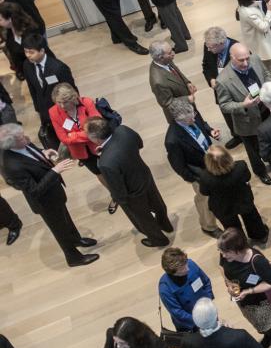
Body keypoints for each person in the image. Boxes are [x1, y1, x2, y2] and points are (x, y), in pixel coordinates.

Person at [0, 124, 98, 267]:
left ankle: (76, 239)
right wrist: (55, 171)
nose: (26, 137)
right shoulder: (12, 166)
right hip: (45, 202)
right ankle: (73, 257)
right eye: (21, 137)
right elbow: (34, 191)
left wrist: (43, 153)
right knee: (59, 229)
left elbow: (31, 153)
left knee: (66, 218)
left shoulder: (22, 141)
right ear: (11, 144)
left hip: (54, 192)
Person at [86, 117, 173, 247]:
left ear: (96, 139)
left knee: (143, 219)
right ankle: (166, 225)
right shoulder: (123, 130)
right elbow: (140, 144)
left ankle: (159, 240)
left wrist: (120, 200)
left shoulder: (105, 163)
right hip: (144, 175)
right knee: (158, 204)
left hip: (132, 193)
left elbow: (118, 189)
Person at [218, 227, 271, 348]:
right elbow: (221, 267)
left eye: (226, 252)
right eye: (221, 252)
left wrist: (248, 291)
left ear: (237, 249)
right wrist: (228, 283)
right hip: (243, 299)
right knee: (258, 325)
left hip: (260, 301)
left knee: (268, 325)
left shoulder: (257, 261)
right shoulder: (226, 254)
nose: (223, 255)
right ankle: (268, 336)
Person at [216, 42, 271, 185]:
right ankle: (260, 171)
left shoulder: (255, 59)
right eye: (241, 60)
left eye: (247, 58)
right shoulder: (222, 80)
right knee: (253, 150)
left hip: (266, 110)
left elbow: (266, 74)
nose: (246, 63)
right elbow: (224, 105)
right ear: (232, 57)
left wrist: (268, 87)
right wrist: (243, 105)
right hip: (247, 121)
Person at [49, 83, 116, 214]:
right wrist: (86, 134)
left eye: (65, 102)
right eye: (59, 102)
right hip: (81, 152)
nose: (62, 106)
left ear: (73, 97)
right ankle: (115, 194)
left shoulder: (87, 103)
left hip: (99, 144)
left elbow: (98, 127)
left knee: (112, 167)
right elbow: (63, 138)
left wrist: (73, 135)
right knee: (99, 172)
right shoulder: (53, 112)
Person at [164, 99, 221, 238]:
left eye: (194, 113)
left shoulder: (191, 113)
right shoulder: (173, 140)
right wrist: (198, 179)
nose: (194, 117)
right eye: (191, 118)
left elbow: (202, 123)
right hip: (198, 172)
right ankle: (208, 226)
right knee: (204, 199)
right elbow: (179, 167)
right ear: (179, 119)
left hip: (210, 159)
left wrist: (210, 131)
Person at [199, 146, 268, 243]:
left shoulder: (205, 177)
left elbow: (204, 192)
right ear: (227, 156)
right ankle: (259, 236)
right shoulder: (240, 166)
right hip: (243, 199)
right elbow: (247, 177)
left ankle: (239, 243)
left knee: (231, 228)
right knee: (252, 218)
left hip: (222, 207)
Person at [21, 33, 76, 149]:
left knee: (69, 132)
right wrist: (38, 108)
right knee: (53, 134)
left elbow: (71, 90)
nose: (28, 55)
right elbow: (32, 89)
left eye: (31, 52)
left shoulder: (58, 68)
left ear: (42, 51)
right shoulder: (27, 65)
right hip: (44, 110)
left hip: (61, 108)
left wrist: (70, 108)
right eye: (26, 52)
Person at [202, 26, 241, 149]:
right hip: (220, 91)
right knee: (227, 114)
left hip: (237, 93)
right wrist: (211, 79)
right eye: (207, 46)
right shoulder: (208, 45)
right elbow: (206, 66)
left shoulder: (238, 50)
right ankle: (237, 136)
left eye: (211, 47)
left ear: (221, 43)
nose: (208, 49)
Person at [159, 248, 214, 332]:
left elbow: (206, 282)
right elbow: (178, 313)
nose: (188, 269)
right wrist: (201, 321)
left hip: (207, 312)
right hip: (191, 325)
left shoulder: (190, 263)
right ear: (172, 272)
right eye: (182, 269)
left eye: (186, 264)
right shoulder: (165, 288)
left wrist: (209, 301)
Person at [236, 0, 271, 78]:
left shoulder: (245, 4)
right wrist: (269, 10)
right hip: (260, 44)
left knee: (269, 67)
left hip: (260, 40)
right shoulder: (248, 13)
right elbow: (264, 27)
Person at [148, 40, 197, 124]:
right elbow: (167, 103)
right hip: (180, 115)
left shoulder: (166, 60)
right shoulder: (158, 82)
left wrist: (187, 82)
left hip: (188, 106)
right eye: (170, 52)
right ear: (161, 57)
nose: (173, 53)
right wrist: (187, 99)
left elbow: (176, 70)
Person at [0, 2, 41, 80]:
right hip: (27, 72)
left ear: (10, 19)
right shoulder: (10, 30)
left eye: (0, 20)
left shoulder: (30, 33)